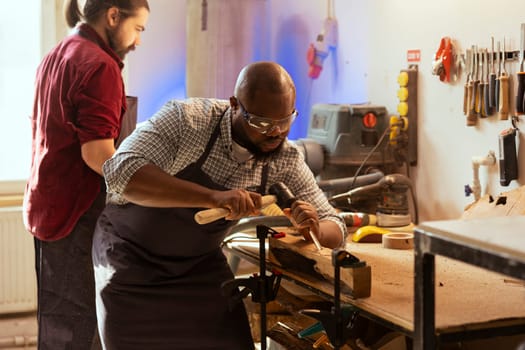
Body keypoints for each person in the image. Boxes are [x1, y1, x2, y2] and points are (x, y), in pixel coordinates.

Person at [92, 61, 347, 349]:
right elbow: (119, 172)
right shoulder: (186, 121)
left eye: (284, 121)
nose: (275, 133)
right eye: (262, 123)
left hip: (198, 267)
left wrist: (313, 227)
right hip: (131, 262)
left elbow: (336, 226)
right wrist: (212, 197)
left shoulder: (283, 159)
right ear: (235, 105)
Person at [22, 1, 149, 349]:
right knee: (79, 329)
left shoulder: (58, 52)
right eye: (137, 29)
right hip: (76, 216)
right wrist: (148, 188)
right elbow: (97, 155)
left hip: (47, 206)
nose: (138, 42)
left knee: (58, 322)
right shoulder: (100, 65)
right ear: (113, 16)